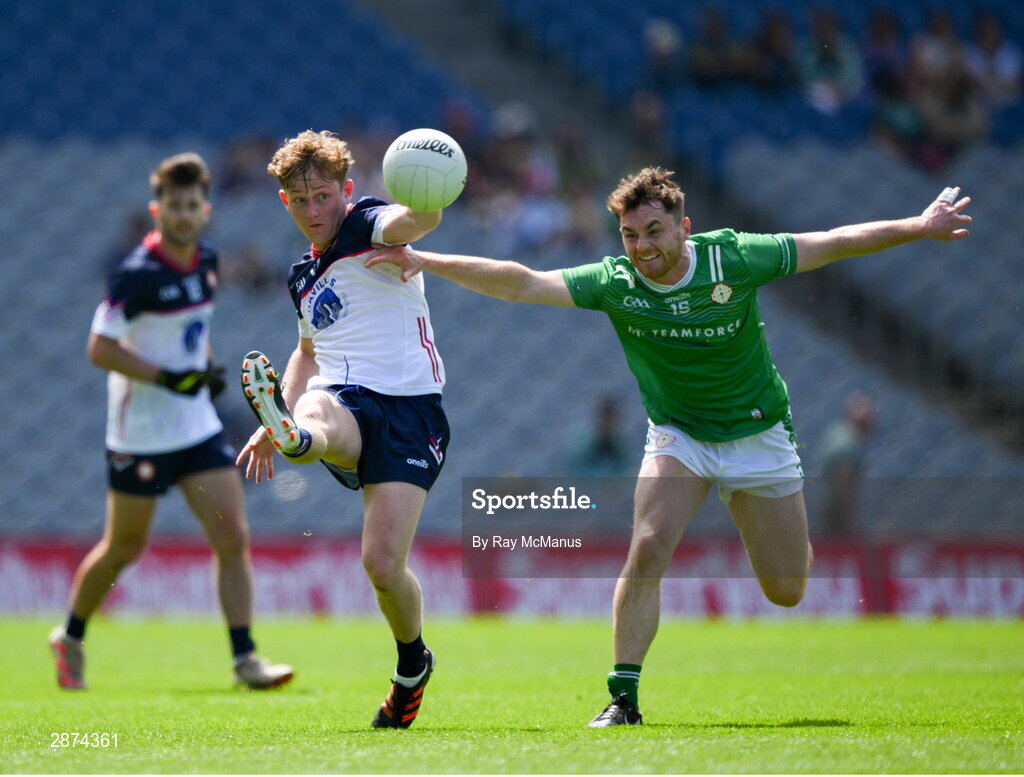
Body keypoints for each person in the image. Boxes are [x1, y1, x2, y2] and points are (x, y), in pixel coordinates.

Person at [365, 167, 973, 727]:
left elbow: (834, 240)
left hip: (758, 436)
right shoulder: (616, 281)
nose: (642, 246)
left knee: (787, 589)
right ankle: (623, 698)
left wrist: (919, 227)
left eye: (654, 230)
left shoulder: (734, 256)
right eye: (629, 234)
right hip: (678, 434)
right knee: (649, 544)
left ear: (684, 226)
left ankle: (778, 529)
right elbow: (523, 282)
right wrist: (425, 259)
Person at [49, 153, 293, 691]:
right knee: (124, 548)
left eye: (192, 206)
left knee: (232, 538)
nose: (183, 215)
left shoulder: (206, 261)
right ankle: (70, 636)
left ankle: (245, 658)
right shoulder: (136, 275)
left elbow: (192, 326)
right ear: (157, 210)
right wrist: (165, 377)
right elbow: (99, 348)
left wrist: (201, 369)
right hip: (139, 433)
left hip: (194, 424)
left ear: (204, 210)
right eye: (173, 206)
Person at [236, 130, 450, 729]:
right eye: (300, 201)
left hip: (413, 411)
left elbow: (417, 222)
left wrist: (431, 192)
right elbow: (306, 354)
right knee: (321, 412)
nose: (314, 211)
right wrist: (279, 410)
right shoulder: (301, 276)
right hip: (345, 401)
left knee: (382, 565)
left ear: (346, 192)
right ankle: (295, 436)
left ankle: (413, 665)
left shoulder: (367, 223)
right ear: (285, 203)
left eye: (323, 196)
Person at [819, 392, 878, 538]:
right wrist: (849, 523)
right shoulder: (848, 442)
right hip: (835, 517)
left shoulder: (839, 434)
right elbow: (843, 482)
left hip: (828, 512)